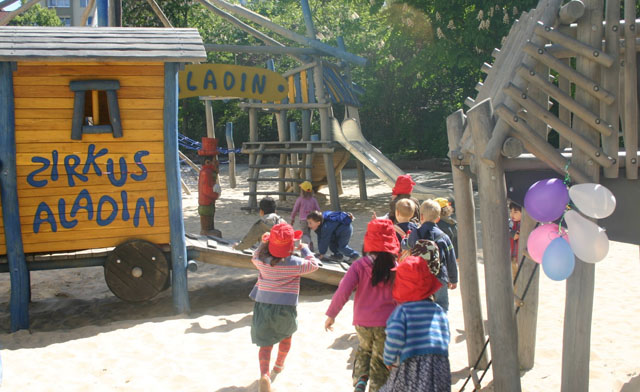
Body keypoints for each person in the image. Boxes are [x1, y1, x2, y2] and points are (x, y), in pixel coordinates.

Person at [324, 218, 400, 392]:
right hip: (387, 324)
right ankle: (376, 388)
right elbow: (402, 296)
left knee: (364, 350)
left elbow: (343, 291)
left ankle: (360, 380)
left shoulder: (359, 265)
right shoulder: (395, 266)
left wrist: (332, 315)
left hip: (362, 322)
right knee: (380, 360)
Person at [249, 223, 321, 392]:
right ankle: (279, 366)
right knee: (285, 337)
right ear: (291, 245)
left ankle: (265, 374)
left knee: (265, 344)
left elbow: (254, 256)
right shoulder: (296, 264)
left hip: (263, 307)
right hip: (286, 308)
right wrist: (304, 249)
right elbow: (315, 264)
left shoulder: (262, 262)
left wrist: (263, 242)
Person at [379, 256, 451, 392]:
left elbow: (394, 338)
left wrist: (388, 360)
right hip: (441, 366)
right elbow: (446, 336)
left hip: (413, 365)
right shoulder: (438, 310)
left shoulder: (403, 312)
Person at [407, 199, 458, 312]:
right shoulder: (444, 237)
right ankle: (441, 325)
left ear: (421, 217)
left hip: (420, 277)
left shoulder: (415, 233)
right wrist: (453, 279)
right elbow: (451, 259)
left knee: (421, 304)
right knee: (442, 305)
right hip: (439, 277)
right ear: (438, 218)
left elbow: (408, 245)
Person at [197, 137, 222, 237]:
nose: (217, 162)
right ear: (208, 162)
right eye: (214, 160)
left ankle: (209, 229)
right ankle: (206, 230)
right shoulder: (206, 173)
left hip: (208, 203)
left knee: (210, 216)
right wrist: (215, 195)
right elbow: (206, 190)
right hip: (206, 203)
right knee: (207, 217)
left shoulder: (209, 172)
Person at [290, 181, 321, 250]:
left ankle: (309, 245)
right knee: (308, 232)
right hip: (312, 219)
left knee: (305, 234)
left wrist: (292, 218)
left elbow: (295, 209)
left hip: (303, 220)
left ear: (302, 191)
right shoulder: (313, 200)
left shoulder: (300, 199)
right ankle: (309, 244)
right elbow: (318, 209)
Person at [509, 202, 522, 281]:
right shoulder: (510, 223)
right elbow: (514, 235)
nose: (512, 214)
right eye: (511, 211)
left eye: (516, 212)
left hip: (520, 258)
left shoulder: (524, 224)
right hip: (512, 257)